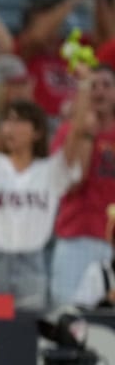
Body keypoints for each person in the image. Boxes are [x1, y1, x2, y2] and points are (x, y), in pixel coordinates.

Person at [0, 41, 90, 309]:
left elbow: (77, 130)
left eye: (19, 121)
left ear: (36, 131)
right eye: (8, 120)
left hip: (32, 263)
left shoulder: (51, 171)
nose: (10, 127)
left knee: (26, 341)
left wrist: (83, 84)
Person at [50, 66, 115, 306]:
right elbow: (72, 183)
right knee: (68, 317)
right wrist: (86, 136)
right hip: (76, 237)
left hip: (112, 241)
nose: (100, 92)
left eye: (107, 85)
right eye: (93, 86)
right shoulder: (69, 131)